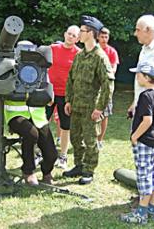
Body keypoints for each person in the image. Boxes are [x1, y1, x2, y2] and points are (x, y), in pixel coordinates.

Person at [62, 15, 113, 185]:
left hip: (91, 108)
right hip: (76, 105)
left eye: (82, 31)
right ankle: (79, 165)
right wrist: (68, 100)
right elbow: (70, 79)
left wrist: (100, 108)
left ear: (90, 33)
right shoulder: (80, 55)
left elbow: (108, 85)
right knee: (76, 138)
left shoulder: (100, 57)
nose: (79, 34)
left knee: (91, 140)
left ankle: (89, 170)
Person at [119, 63, 154, 225]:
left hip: (144, 141)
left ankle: (141, 213)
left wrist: (135, 136)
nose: (136, 77)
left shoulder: (145, 96)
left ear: (146, 77)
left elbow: (147, 120)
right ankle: (152, 209)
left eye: (139, 74)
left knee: (144, 176)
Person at [45, 25, 80, 169]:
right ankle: (41, 153)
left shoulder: (79, 54)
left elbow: (77, 77)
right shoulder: (52, 49)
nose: (70, 37)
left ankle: (63, 156)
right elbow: (44, 68)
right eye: (69, 34)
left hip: (66, 96)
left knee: (65, 126)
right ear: (64, 34)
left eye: (74, 35)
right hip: (49, 93)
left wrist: (71, 98)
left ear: (78, 39)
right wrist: (47, 89)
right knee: (42, 123)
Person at [4, 100, 57, 185]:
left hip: (38, 116)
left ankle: (47, 172)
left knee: (52, 154)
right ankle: (28, 171)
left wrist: (49, 96)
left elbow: (49, 97)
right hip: (15, 115)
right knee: (31, 134)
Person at [96, 27, 120, 149]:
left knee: (104, 114)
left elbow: (113, 70)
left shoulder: (112, 52)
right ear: (97, 37)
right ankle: (91, 138)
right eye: (102, 37)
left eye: (106, 37)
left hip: (105, 88)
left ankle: (100, 140)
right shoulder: (92, 50)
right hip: (92, 88)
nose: (104, 39)